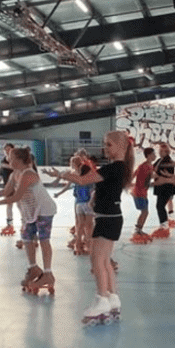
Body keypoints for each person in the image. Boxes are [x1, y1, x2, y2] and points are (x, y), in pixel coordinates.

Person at [44, 131, 134, 325]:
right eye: (105, 144)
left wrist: (60, 173)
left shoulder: (114, 168)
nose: (105, 148)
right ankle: (112, 298)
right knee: (105, 262)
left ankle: (102, 299)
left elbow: (83, 180)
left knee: (97, 261)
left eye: (109, 145)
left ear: (121, 147)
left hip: (107, 219)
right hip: (109, 217)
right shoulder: (117, 168)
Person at [0, 146, 58, 295]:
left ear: (18, 160)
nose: (8, 159)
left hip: (43, 210)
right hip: (29, 211)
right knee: (26, 238)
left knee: (43, 240)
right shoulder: (14, 175)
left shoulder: (28, 174)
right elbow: (6, 192)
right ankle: (34, 268)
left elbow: (16, 196)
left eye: (10, 157)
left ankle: (48, 274)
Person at [150, 143, 175, 238]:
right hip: (161, 188)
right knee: (160, 206)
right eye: (159, 151)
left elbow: (167, 174)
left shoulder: (168, 161)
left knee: (160, 206)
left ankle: (164, 226)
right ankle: (163, 225)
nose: (160, 153)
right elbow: (153, 168)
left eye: (162, 151)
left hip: (166, 188)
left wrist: (157, 175)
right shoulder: (159, 160)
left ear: (167, 151)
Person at [131, 147, 155, 243]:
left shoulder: (149, 166)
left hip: (143, 192)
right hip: (139, 192)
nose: (155, 156)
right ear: (148, 155)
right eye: (153, 154)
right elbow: (136, 175)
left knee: (145, 212)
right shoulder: (144, 166)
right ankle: (137, 230)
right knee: (144, 212)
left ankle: (139, 229)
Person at [0, 143, 16, 236]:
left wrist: (7, 166)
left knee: (22, 205)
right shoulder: (3, 160)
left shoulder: (16, 160)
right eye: (5, 149)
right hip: (8, 186)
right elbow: (1, 175)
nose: (7, 151)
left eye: (9, 149)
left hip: (18, 186)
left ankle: (26, 224)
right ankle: (9, 225)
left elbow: (19, 169)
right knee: (9, 205)